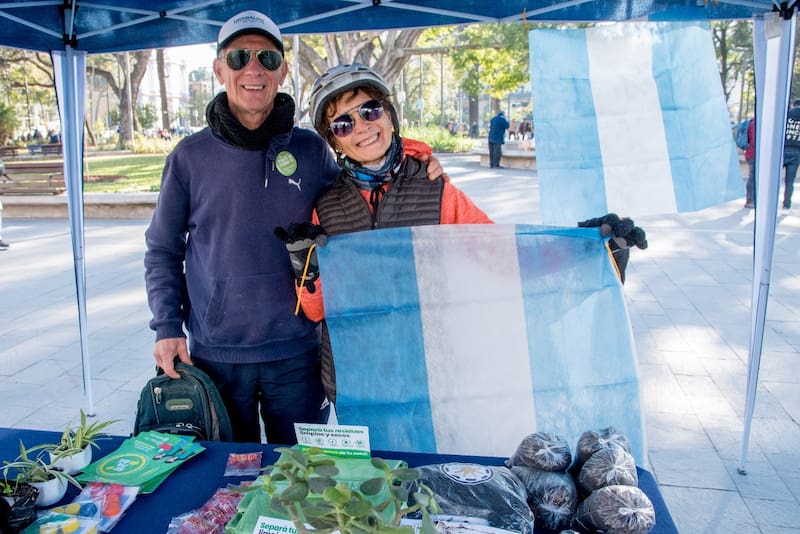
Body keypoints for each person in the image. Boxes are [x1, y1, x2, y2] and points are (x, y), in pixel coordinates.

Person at [144, 11, 444, 445]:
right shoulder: (189, 157)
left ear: (282, 71)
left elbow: (361, 187)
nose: (253, 69)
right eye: (239, 56)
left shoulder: (311, 149)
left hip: (298, 353)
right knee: (231, 477)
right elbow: (162, 250)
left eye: (267, 58)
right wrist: (167, 326)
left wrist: (416, 158)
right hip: (218, 356)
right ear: (218, 69)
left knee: (306, 477)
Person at [275, 63, 493, 404]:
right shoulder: (327, 207)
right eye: (343, 124)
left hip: (432, 378)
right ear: (335, 142)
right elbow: (315, 311)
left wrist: (586, 246)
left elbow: (501, 254)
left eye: (369, 110)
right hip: (355, 379)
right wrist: (308, 273)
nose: (362, 127)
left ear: (389, 114)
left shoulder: (436, 189)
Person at [577, 213, 648, 284]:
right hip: (587, 241)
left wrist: (619, 287)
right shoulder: (611, 222)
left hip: (605, 253)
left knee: (618, 270)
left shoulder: (623, 250)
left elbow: (619, 273)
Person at [783, 99, 800, 209]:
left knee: (773, 178)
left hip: (782, 150)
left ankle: (767, 201)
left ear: (793, 106)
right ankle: (786, 205)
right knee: (790, 181)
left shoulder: (785, 115)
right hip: (797, 152)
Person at [744, 117, 756, 209]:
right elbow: (754, 141)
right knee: (752, 177)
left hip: (750, 153)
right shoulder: (755, 123)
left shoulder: (752, 122)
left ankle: (751, 200)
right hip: (754, 154)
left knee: (752, 177)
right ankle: (750, 200)